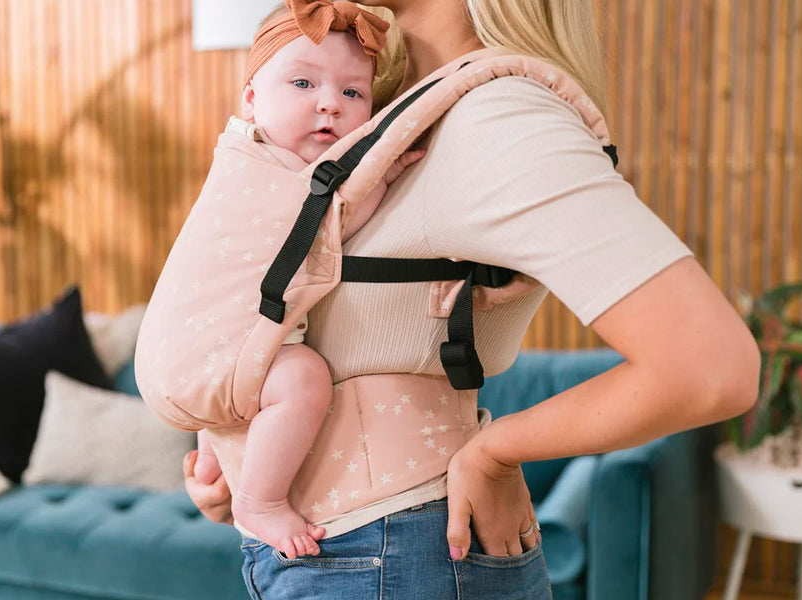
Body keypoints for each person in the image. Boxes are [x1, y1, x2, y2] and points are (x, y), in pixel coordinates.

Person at [186, 0, 760, 597]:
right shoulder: (376, 108)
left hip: (393, 555)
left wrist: (495, 452)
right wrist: (238, 459)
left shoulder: (498, 117)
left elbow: (710, 367)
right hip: (333, 553)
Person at [191, 1, 422, 561]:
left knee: (230, 413)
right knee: (305, 383)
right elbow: (329, 230)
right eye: (302, 83)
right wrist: (381, 175)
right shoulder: (263, 168)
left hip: (217, 344)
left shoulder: (277, 165)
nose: (329, 104)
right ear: (251, 98)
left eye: (352, 93)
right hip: (223, 337)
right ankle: (261, 501)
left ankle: (213, 458)